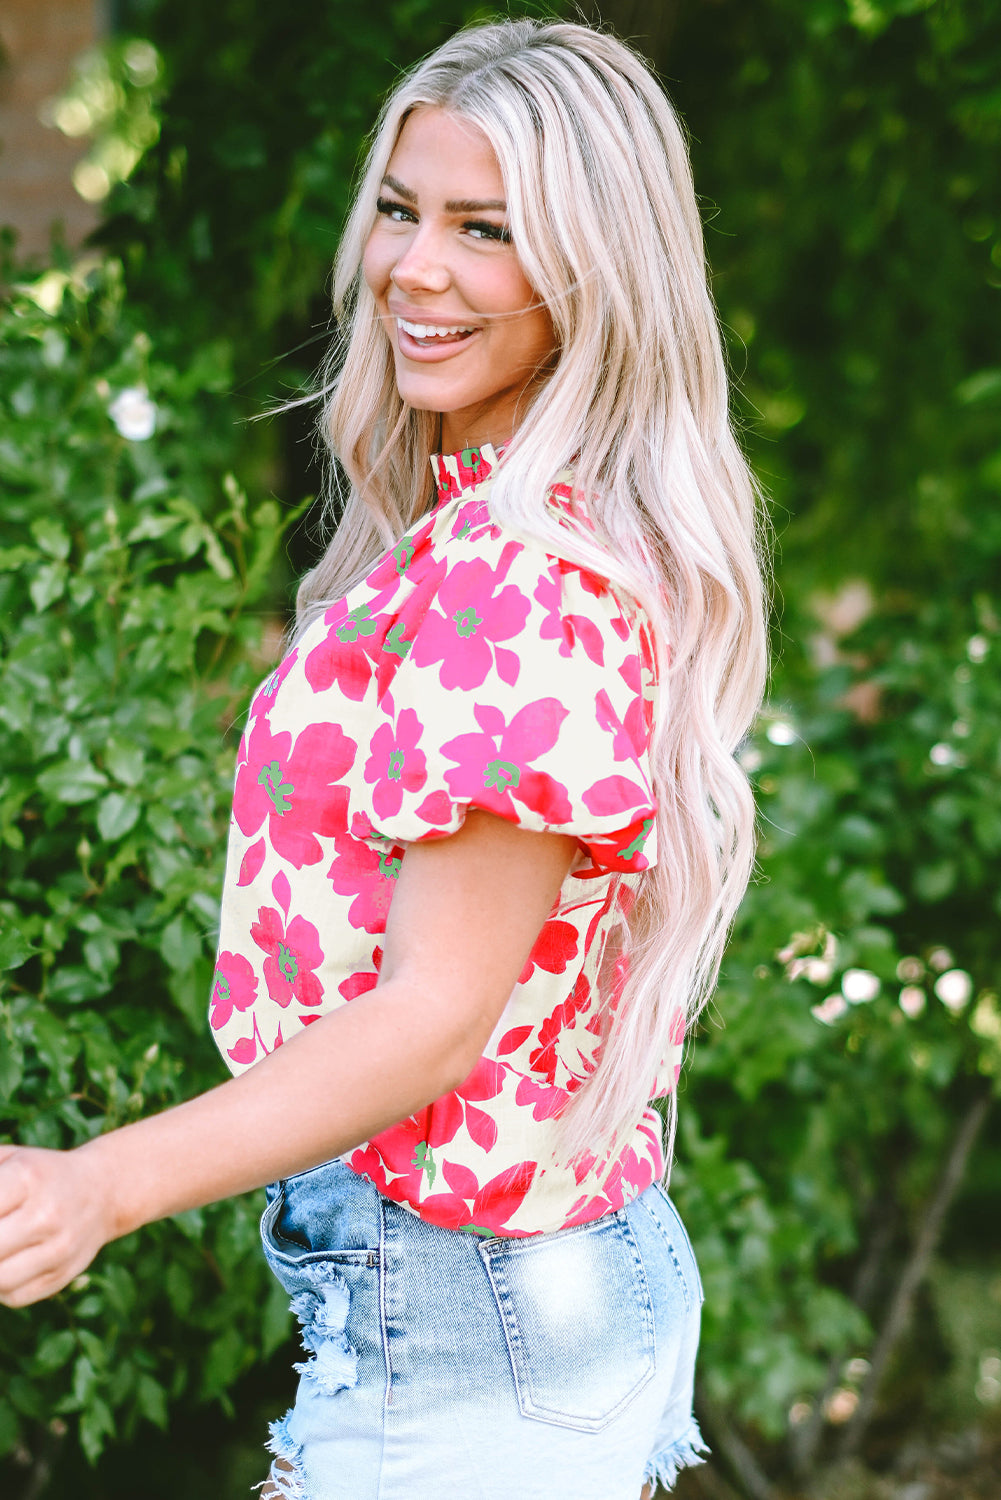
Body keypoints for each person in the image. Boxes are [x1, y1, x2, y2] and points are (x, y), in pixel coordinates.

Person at [0, 18, 767, 1500]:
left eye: (485, 229)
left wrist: (96, 1188)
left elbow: (433, 1019)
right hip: (526, 1296)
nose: (413, 267)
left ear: (593, 271)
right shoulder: (509, 534)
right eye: (403, 209)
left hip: (475, 1335)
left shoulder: (519, 581)